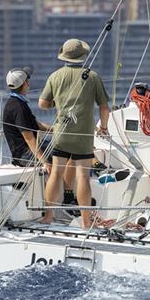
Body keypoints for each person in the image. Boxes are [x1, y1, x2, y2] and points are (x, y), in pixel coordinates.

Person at [39, 38, 111, 228]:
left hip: (61, 134)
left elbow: (43, 104)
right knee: (83, 177)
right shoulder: (93, 76)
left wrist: (58, 102)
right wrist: (104, 127)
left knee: (55, 173)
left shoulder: (55, 76)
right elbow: (104, 107)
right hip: (83, 136)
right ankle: (86, 221)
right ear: (83, 55)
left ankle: (48, 216)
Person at [2, 67, 52, 172]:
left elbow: (36, 125)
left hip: (29, 150)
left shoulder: (17, 103)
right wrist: (45, 162)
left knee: (64, 145)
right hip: (24, 155)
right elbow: (29, 138)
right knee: (64, 153)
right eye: (28, 80)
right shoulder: (18, 108)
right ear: (25, 84)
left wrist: (57, 129)